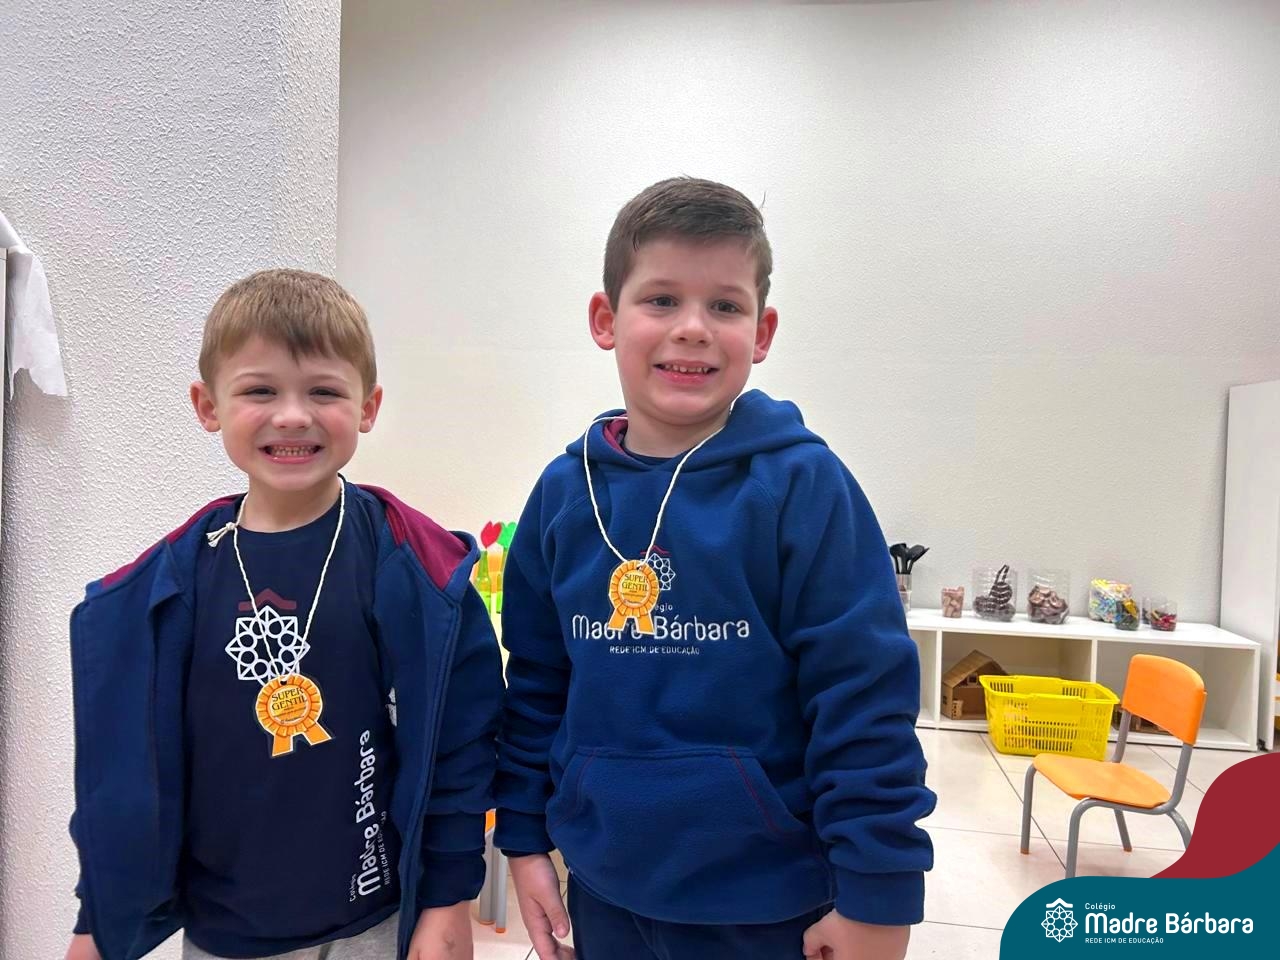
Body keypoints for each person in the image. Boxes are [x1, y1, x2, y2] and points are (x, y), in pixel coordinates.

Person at [495, 178, 935, 960]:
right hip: (604, 887)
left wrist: (878, 893)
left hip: (769, 901)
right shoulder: (563, 495)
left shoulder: (804, 487)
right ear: (606, 320)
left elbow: (864, 698)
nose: (692, 328)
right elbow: (536, 686)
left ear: (761, 333)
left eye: (724, 306)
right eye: (661, 299)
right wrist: (525, 837)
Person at [65, 269, 503, 960]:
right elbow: (124, 774)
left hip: (374, 918)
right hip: (223, 932)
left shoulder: (408, 564)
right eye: (260, 391)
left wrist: (448, 899)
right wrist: (99, 916)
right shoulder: (172, 584)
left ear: (368, 406)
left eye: (323, 391)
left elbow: (460, 741)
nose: (293, 415)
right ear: (208, 405)